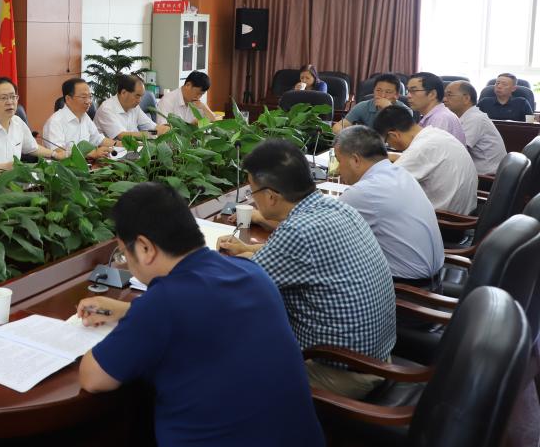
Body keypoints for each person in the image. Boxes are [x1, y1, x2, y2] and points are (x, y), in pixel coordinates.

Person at [77, 183, 324, 447]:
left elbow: (93, 378)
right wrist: (128, 311)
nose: (127, 262)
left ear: (145, 248)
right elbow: (202, 311)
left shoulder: (163, 303)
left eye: (124, 253)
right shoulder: (250, 272)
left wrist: (137, 316)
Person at [217, 139, 395, 400]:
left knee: (220, 362)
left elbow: (234, 289)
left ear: (271, 196)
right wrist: (248, 249)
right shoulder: (336, 207)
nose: (253, 200)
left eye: (252, 193)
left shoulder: (298, 231)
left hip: (339, 373)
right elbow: (304, 258)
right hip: (375, 358)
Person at [334, 126, 444, 284]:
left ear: (356, 160)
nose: (338, 170)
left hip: (406, 288)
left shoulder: (364, 192)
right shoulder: (402, 174)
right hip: (434, 278)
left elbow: (322, 234)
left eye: (339, 161)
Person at [373, 105, 478, 215]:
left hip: (444, 219)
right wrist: (394, 156)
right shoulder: (435, 134)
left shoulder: (420, 150)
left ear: (394, 135)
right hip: (465, 212)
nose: (389, 145)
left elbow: (382, 185)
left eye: (387, 142)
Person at [0, 77, 66, 174]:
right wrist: (5, 167)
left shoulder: (17, 122)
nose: (10, 102)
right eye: (4, 98)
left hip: (15, 182)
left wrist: (55, 154)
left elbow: (32, 148)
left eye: (13, 97)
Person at [41, 78, 115, 160]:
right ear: (68, 99)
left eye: (90, 96)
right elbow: (58, 152)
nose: (88, 101)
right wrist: (90, 154)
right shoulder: (55, 122)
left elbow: (98, 139)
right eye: (83, 97)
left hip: (87, 165)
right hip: (62, 166)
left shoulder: (85, 116)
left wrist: (118, 144)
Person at [443, 80, 507, 175]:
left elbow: (456, 150)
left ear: (466, 98)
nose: (444, 99)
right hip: (474, 172)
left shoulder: (475, 118)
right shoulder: (463, 117)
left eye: (449, 95)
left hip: (487, 177)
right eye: (444, 95)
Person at [94, 73, 171, 140]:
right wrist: (154, 133)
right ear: (123, 93)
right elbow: (122, 136)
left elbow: (152, 127)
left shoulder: (134, 107)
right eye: (137, 96)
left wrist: (165, 129)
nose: (139, 100)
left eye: (141, 96)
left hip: (131, 148)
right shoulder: (106, 109)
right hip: (110, 150)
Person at [332, 73, 412, 134]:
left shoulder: (405, 111)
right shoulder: (362, 106)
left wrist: (388, 109)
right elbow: (338, 126)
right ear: (373, 91)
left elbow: (404, 134)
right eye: (378, 90)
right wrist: (350, 136)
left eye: (388, 92)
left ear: (397, 95)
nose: (382, 95)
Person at [406, 72, 465, 144]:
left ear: (432, 94)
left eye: (413, 91)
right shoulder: (435, 116)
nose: (408, 96)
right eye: (408, 91)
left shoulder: (441, 118)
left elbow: (429, 149)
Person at [156, 70, 220, 125]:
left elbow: (214, 121)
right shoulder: (168, 101)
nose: (198, 97)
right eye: (197, 93)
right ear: (188, 85)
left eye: (201, 94)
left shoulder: (197, 101)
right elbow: (163, 128)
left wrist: (204, 107)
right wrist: (189, 126)